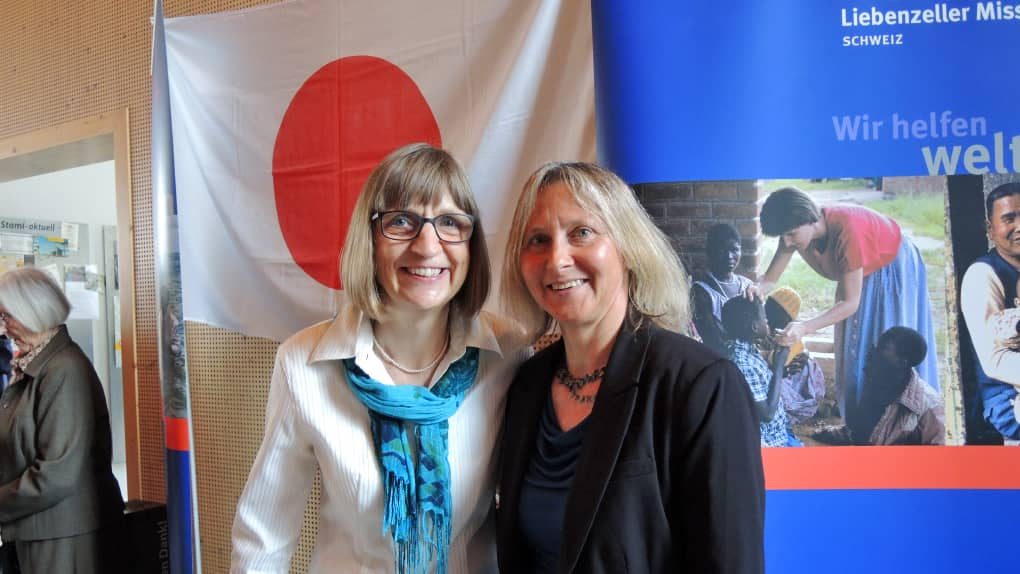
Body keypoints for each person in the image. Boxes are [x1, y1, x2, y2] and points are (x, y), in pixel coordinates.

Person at [231, 144, 527, 573]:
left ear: (471, 243)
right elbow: (265, 536)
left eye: (449, 223)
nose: (428, 247)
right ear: (368, 238)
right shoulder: (303, 364)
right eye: (402, 221)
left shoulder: (507, 354)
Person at [497, 162, 764, 573]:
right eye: (538, 239)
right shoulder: (527, 385)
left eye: (581, 233)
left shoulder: (701, 385)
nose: (557, 259)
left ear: (627, 248)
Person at [754, 187, 939, 417]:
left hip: (890, 266)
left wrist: (804, 327)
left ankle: (896, 422)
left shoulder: (847, 230)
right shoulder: (793, 233)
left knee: (885, 349)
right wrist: (756, 289)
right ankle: (858, 420)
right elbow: (769, 279)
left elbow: (850, 303)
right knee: (853, 345)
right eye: (782, 236)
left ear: (809, 219)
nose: (787, 242)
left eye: (791, 234)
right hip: (858, 271)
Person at [0, 267, 125, 573]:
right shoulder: (36, 365)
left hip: (62, 535)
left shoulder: (64, 369)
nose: (4, 328)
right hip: (38, 530)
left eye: (8, 317)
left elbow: (56, 474)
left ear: (33, 312)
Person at [960, 182, 1020, 442]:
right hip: (1008, 398)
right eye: (1009, 219)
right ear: (990, 229)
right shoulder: (982, 275)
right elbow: (994, 361)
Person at [846, 327, 945, 445]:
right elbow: (864, 434)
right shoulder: (878, 384)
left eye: (882, 349)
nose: (871, 353)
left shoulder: (930, 405)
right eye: (876, 346)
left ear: (902, 362)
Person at [721, 297, 795, 447]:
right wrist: (779, 366)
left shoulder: (747, 350)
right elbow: (767, 414)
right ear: (754, 327)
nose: (767, 321)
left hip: (775, 433)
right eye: (764, 318)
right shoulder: (742, 362)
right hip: (769, 442)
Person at [764, 287, 826, 423]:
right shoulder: (773, 333)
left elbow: (778, 367)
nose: (765, 311)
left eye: (771, 309)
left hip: (794, 388)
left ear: (786, 317)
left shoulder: (790, 339)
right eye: (765, 306)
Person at [692, 223, 754, 355]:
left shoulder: (747, 285)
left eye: (734, 250)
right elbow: (712, 339)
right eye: (722, 250)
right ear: (710, 252)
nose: (729, 256)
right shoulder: (701, 291)